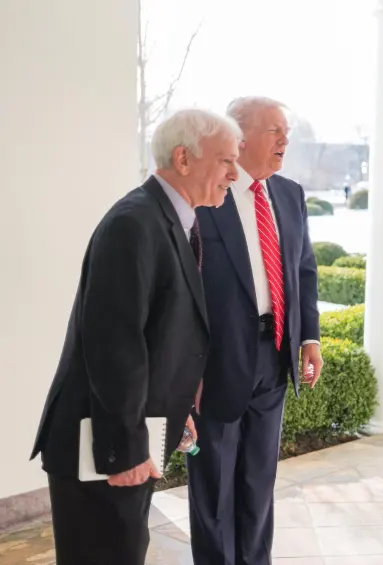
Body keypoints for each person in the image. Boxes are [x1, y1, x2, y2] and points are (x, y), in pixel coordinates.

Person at [29, 108, 242, 565]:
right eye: (225, 160)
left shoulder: (172, 218)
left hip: (130, 435)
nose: (235, 173)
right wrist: (123, 451)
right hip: (102, 449)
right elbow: (114, 346)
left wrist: (176, 408)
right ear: (183, 159)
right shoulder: (135, 222)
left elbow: (158, 337)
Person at [188, 96, 323, 565]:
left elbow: (304, 270)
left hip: (276, 352)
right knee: (214, 486)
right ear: (240, 138)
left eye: (286, 131)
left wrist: (310, 338)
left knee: (259, 479)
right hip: (218, 363)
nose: (285, 140)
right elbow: (184, 292)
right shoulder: (206, 195)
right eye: (275, 131)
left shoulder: (289, 194)